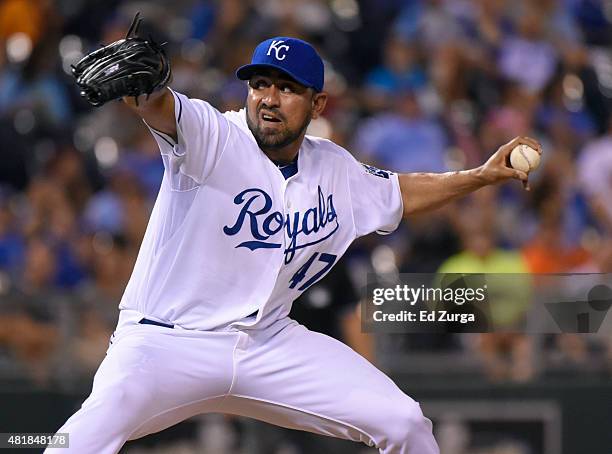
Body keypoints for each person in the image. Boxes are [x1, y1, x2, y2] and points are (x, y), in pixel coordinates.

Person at [47, 32, 541, 454]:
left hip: (268, 343)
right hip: (167, 341)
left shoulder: (335, 168)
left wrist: (479, 175)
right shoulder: (214, 134)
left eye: (287, 88)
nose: (268, 97)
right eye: (260, 84)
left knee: (405, 422)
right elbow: (165, 110)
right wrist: (150, 91)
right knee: (76, 442)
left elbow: (397, 192)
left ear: (318, 104)